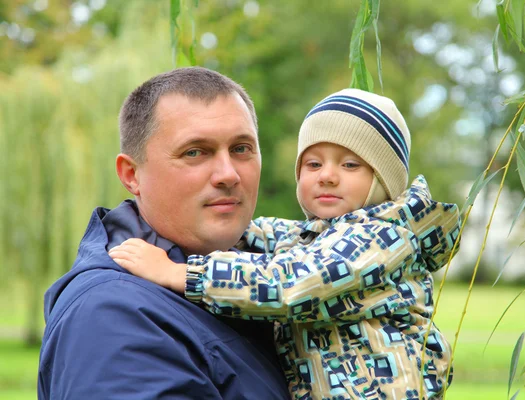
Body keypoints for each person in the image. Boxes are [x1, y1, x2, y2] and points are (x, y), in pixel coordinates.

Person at [109, 88, 461, 399]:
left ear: (384, 180)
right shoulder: (319, 236)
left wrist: (181, 272)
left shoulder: (382, 240)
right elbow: (266, 234)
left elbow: (291, 283)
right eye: (313, 163)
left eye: (350, 164)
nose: (327, 175)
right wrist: (211, 219)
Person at [37, 67, 290, 399]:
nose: (228, 174)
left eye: (241, 149)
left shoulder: (273, 275)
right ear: (131, 175)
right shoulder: (113, 318)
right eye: (195, 152)